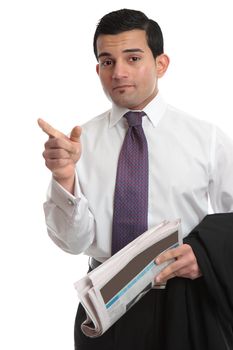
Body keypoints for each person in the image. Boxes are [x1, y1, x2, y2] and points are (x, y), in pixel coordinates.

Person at [38, 8, 233, 350]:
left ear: (161, 64)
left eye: (133, 58)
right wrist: (64, 178)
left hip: (183, 300)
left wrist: (204, 256)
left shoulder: (207, 138)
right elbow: (73, 243)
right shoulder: (79, 143)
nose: (119, 72)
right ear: (98, 69)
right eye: (108, 61)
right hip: (105, 302)